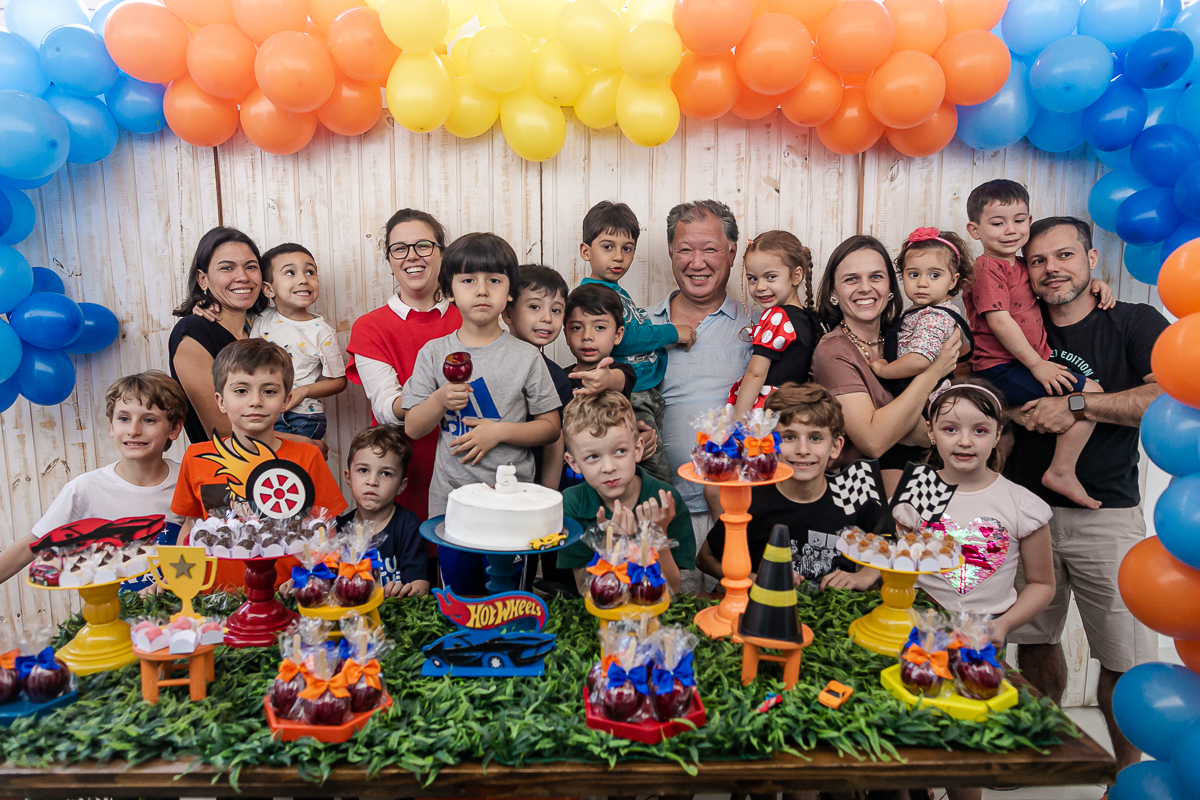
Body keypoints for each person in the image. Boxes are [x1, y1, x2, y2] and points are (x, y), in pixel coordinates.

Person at [1005, 216, 1170, 775]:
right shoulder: (1021, 331)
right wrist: (1019, 412)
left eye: (1065, 255)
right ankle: (1036, 759)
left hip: (1109, 514)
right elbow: (984, 395)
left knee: (1124, 658)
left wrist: (1075, 405)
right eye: (1038, 260)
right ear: (1025, 271)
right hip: (1026, 516)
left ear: (1092, 259)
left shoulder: (1132, 321)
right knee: (1032, 642)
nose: (1052, 269)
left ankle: (1124, 776)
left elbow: (1162, 400)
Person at [402, 233, 562, 595]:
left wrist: (499, 432)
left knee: (507, 597)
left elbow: (550, 428)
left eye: (494, 281)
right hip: (452, 501)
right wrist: (440, 398)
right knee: (458, 596)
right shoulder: (433, 352)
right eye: (468, 280)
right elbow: (413, 426)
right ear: (448, 290)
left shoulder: (525, 356)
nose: (482, 291)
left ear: (509, 292)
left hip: (512, 503)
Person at [962, 180, 1110, 510]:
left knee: (1077, 401)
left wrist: (1096, 283)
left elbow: (1052, 287)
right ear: (975, 229)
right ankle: (1061, 472)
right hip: (1000, 369)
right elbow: (1000, 321)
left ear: (1029, 222)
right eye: (997, 223)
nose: (1010, 230)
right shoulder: (987, 269)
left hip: (1016, 365)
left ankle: (1049, 470)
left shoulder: (1018, 265)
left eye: (1018, 220)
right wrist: (1037, 365)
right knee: (1093, 394)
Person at [170, 339, 347, 585]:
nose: (256, 401)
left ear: (286, 400)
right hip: (216, 599)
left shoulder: (307, 457)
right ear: (221, 401)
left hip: (289, 595)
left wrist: (312, 578)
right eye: (241, 390)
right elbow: (191, 526)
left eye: (269, 391)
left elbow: (325, 529)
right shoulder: (197, 457)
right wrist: (179, 580)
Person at [649, 200, 754, 589]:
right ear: (671, 254)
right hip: (662, 517)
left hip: (735, 517)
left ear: (732, 251)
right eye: (685, 250)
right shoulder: (643, 327)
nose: (697, 262)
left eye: (709, 249)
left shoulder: (758, 329)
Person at [0, 372, 187, 588]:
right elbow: (29, 547)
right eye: (124, 419)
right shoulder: (85, 489)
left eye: (148, 420)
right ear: (111, 426)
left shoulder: (188, 482)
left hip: (180, 617)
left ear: (174, 429)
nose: (134, 430)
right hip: (106, 616)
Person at [810, 235, 960, 490]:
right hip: (862, 490)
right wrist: (931, 374)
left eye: (876, 277)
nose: (865, 288)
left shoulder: (905, 334)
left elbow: (933, 432)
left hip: (925, 478)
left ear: (891, 286)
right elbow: (873, 441)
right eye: (851, 279)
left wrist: (915, 431)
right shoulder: (833, 351)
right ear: (833, 291)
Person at [345, 209, 462, 521]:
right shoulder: (370, 327)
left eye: (423, 245)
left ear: (442, 253)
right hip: (400, 469)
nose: (412, 256)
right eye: (400, 248)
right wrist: (438, 399)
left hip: (464, 463)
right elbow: (385, 407)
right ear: (390, 260)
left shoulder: (469, 318)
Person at [698, 383, 872, 585]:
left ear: (835, 447)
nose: (802, 449)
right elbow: (705, 559)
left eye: (815, 438)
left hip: (832, 612)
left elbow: (892, 546)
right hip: (766, 611)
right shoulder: (752, 501)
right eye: (789, 437)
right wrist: (756, 580)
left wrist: (862, 577)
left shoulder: (854, 496)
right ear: (771, 444)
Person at [579, 200, 696, 482]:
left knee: (646, 460)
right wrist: (673, 332)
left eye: (627, 248)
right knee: (653, 473)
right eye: (607, 247)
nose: (618, 257)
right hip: (630, 394)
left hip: (644, 390)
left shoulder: (616, 291)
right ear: (586, 251)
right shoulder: (595, 294)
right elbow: (627, 338)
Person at [554, 391, 695, 595]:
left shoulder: (664, 500)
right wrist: (612, 547)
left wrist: (658, 535)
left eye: (620, 451)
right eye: (593, 456)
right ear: (574, 463)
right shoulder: (572, 503)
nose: (609, 467)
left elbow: (673, 589)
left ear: (638, 449)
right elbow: (586, 590)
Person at [168, 227, 269, 446]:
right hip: (227, 474)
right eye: (227, 268)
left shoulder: (263, 329)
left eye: (251, 267)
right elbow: (222, 430)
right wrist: (300, 443)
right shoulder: (194, 332)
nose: (242, 277)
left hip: (277, 470)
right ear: (203, 279)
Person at [250, 243, 347, 441]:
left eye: (310, 272)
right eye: (290, 273)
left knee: (297, 470)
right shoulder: (259, 318)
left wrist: (303, 391)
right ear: (268, 289)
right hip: (262, 411)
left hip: (302, 418)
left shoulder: (322, 332)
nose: (304, 279)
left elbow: (339, 381)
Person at [869, 227, 974, 395]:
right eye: (914, 274)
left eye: (934, 275)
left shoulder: (935, 316)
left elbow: (919, 360)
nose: (922, 283)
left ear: (953, 281)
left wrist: (884, 371)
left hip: (924, 396)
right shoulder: (921, 312)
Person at [728, 231, 821, 419]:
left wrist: (737, 424)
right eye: (753, 278)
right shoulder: (811, 318)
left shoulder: (776, 316)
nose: (760, 286)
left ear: (796, 276)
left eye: (770, 277)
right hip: (795, 412)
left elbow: (755, 373)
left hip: (768, 410)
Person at [501, 264, 574, 490]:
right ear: (508, 313)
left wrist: (548, 497)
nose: (547, 318)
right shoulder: (492, 362)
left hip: (530, 487)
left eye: (556, 310)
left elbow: (555, 445)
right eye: (534, 306)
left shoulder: (556, 377)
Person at [337, 425, 430, 597]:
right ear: (349, 478)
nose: (372, 481)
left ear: (401, 485)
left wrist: (407, 593)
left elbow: (421, 585)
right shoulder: (339, 529)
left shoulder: (408, 525)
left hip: (396, 615)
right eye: (363, 470)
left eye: (386, 473)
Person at [563, 283, 637, 401]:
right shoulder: (559, 377)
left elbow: (618, 380)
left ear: (617, 335)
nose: (587, 336)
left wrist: (607, 379)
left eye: (599, 327)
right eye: (577, 328)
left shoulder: (623, 371)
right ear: (566, 335)